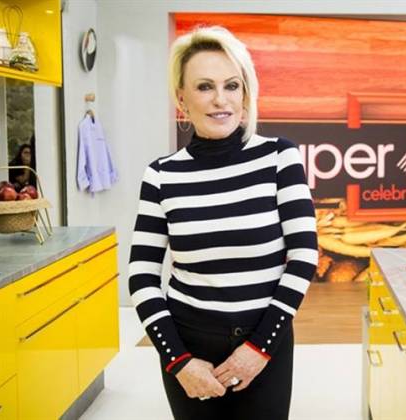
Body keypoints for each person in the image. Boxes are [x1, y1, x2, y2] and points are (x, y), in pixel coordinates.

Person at [128, 26, 318, 420]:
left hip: (266, 343)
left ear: (245, 93)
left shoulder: (280, 158)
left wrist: (259, 348)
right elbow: (141, 276)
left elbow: (303, 258)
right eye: (204, 86)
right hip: (187, 346)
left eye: (232, 85)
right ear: (182, 98)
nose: (221, 99)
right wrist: (177, 359)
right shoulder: (161, 175)